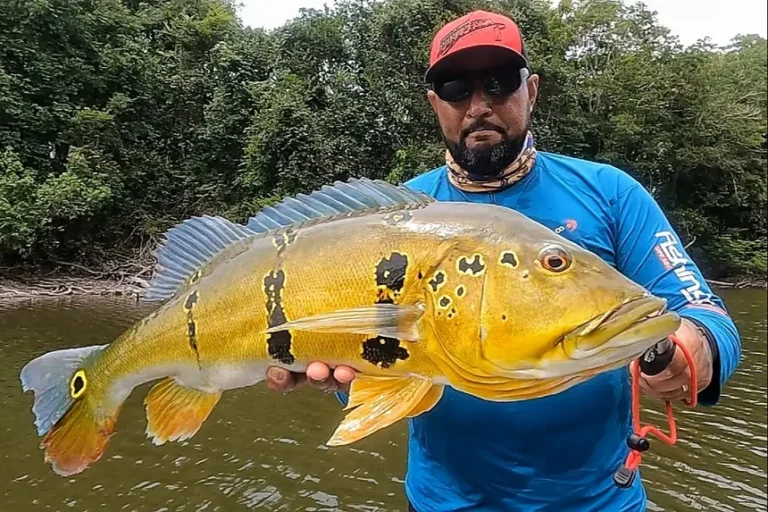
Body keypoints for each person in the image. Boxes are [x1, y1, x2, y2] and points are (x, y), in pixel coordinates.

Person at [265, 10, 742, 512]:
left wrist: (692, 351)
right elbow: (375, 371)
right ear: (435, 104)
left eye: (498, 83)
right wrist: (329, 370)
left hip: (600, 502)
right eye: (455, 87)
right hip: (441, 503)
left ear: (530, 91)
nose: (478, 105)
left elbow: (707, 317)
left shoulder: (610, 194)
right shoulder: (392, 218)